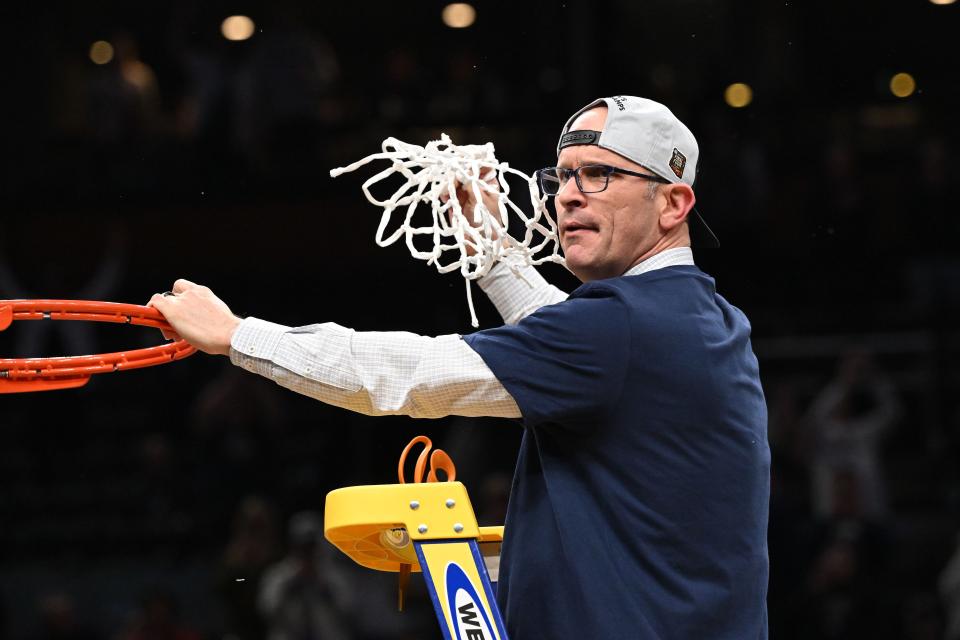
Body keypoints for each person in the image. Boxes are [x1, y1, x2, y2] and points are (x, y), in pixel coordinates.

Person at [150, 96, 770, 639]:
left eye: (602, 176)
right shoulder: (705, 319)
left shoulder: (621, 329)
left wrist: (238, 335)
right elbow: (564, 340)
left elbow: (406, 375)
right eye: (564, 175)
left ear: (673, 202)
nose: (568, 194)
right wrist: (494, 254)